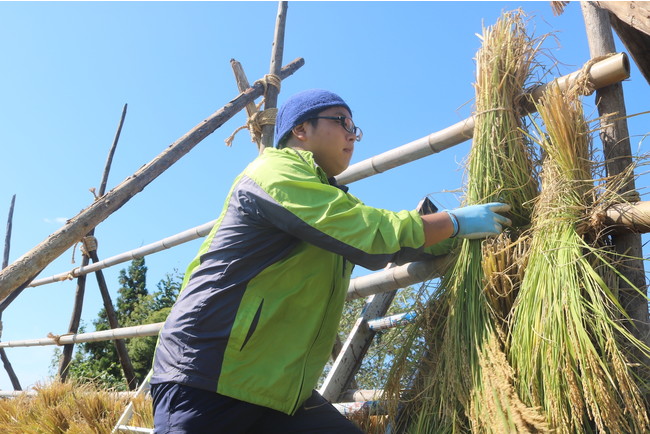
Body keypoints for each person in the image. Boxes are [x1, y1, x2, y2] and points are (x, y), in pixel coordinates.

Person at [150, 89, 511, 433]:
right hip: (211, 376)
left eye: (356, 129)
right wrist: (454, 222)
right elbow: (369, 234)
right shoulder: (273, 174)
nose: (353, 136)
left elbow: (388, 240)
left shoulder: (328, 198)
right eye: (343, 122)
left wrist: (454, 239)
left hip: (276, 390)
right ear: (301, 129)